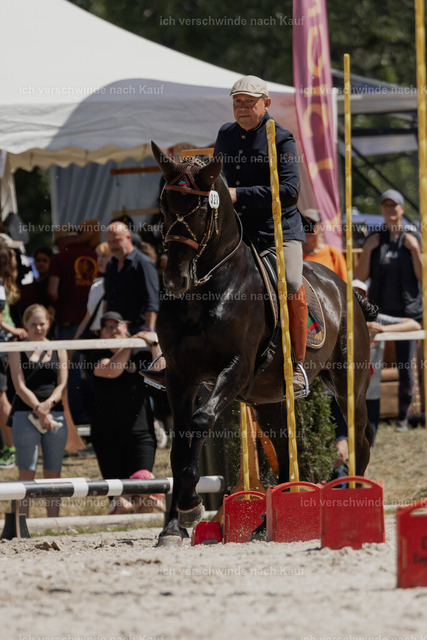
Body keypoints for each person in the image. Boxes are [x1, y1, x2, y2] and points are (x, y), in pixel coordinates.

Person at [213, 75, 309, 393]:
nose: (241, 107)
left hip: (277, 231)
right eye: (237, 102)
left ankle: (298, 363)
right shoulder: (225, 134)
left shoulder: (282, 139)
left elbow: (290, 191)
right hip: (237, 231)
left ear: (266, 104)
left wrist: (238, 194)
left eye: (249, 102)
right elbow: (217, 179)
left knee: (291, 281)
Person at [355, 189, 423, 432]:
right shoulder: (374, 238)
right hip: (378, 313)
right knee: (371, 366)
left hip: (408, 313)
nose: (390, 209)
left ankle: (403, 417)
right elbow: (360, 276)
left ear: (402, 209)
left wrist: (415, 250)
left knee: (405, 366)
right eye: (385, 205)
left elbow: (422, 277)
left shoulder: (413, 236)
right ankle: (369, 415)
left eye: (394, 205)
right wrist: (367, 249)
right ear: (382, 209)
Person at [86, 311, 163, 514]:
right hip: (107, 436)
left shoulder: (141, 353)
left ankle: (148, 514)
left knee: (145, 493)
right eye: (108, 327)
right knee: (121, 500)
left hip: (141, 433)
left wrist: (154, 344)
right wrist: (129, 344)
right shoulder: (95, 355)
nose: (113, 330)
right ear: (101, 334)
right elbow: (113, 369)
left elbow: (162, 372)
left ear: (126, 327)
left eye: (117, 325)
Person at [8, 304, 68, 517]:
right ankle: (21, 522)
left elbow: (62, 384)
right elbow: (19, 386)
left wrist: (48, 405)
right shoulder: (15, 348)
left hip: (55, 413)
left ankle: (53, 522)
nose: (38, 328)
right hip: (24, 413)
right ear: (25, 324)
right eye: (33, 324)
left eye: (42, 323)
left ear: (49, 324)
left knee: (53, 473)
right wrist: (39, 409)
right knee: (26, 472)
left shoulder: (59, 348)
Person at [352, 280, 422, 437]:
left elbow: (414, 325)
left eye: (362, 296)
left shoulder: (377, 319)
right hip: (345, 393)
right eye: (354, 296)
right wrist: (360, 328)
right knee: (345, 441)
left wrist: (383, 329)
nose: (358, 300)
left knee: (369, 441)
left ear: (367, 299)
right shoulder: (339, 318)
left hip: (371, 394)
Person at [0, 241, 27, 469]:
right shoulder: (3, 281)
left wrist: (14, 331)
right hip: (6, 341)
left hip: (3, 344)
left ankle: (12, 448)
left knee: (1, 398)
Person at [104, 221, 159, 334]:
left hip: (137, 332)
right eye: (109, 242)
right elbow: (107, 299)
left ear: (128, 238)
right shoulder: (111, 265)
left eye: (116, 241)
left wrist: (149, 331)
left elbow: (152, 302)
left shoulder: (143, 263)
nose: (113, 246)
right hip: (113, 333)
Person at [302, 209, 347, 282]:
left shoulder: (333, 253)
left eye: (312, 223)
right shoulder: (295, 254)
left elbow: (344, 283)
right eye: (304, 224)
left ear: (321, 226)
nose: (309, 226)